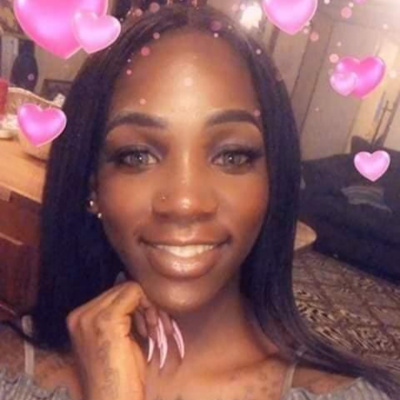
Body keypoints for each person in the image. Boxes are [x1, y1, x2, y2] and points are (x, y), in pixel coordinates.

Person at [0, 3, 398, 400]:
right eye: (137, 156)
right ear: (93, 187)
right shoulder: (12, 370)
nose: (186, 202)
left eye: (232, 156)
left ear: (272, 180)